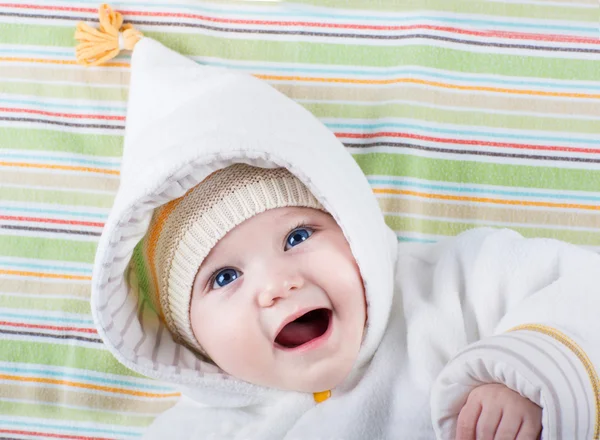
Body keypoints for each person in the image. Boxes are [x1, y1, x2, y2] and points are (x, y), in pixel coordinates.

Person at [81, 5, 600, 439]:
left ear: (352, 229)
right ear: (191, 339)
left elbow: (582, 287)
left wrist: (529, 373)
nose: (278, 284)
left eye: (298, 236)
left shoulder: (449, 286)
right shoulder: (197, 430)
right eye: (224, 277)